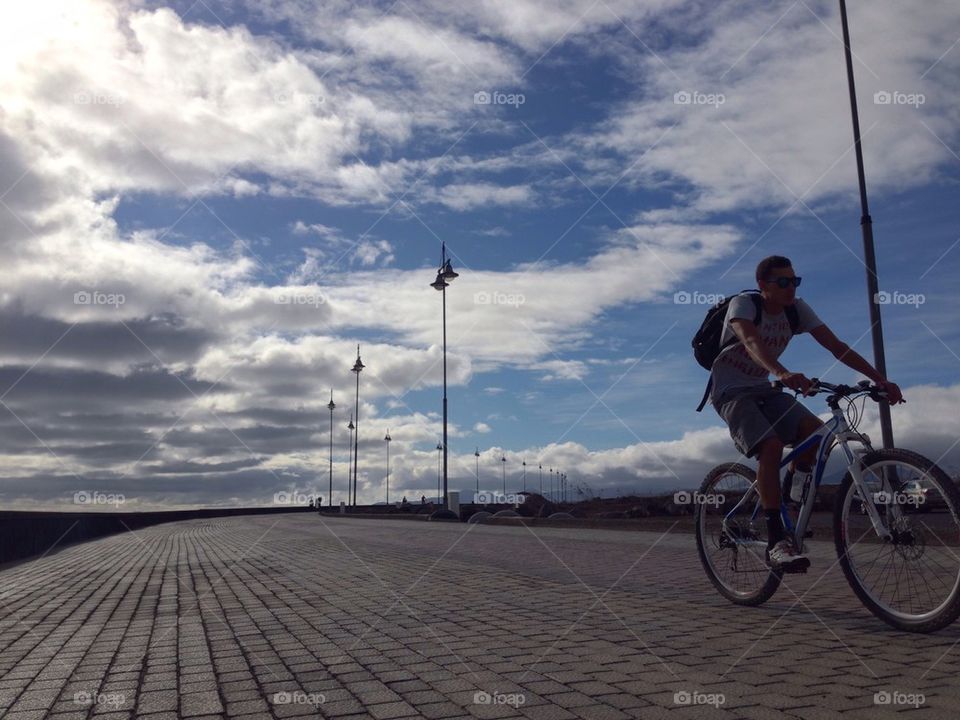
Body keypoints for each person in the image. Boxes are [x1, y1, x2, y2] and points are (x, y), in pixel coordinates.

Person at [710, 255, 903, 572]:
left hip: (764, 387)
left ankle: (788, 502)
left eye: (794, 281)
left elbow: (836, 346)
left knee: (816, 436)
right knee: (770, 445)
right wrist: (781, 372)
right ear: (763, 285)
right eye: (782, 282)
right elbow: (750, 339)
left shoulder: (796, 309)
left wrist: (880, 380)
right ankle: (776, 540)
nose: (790, 288)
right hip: (731, 391)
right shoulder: (745, 304)